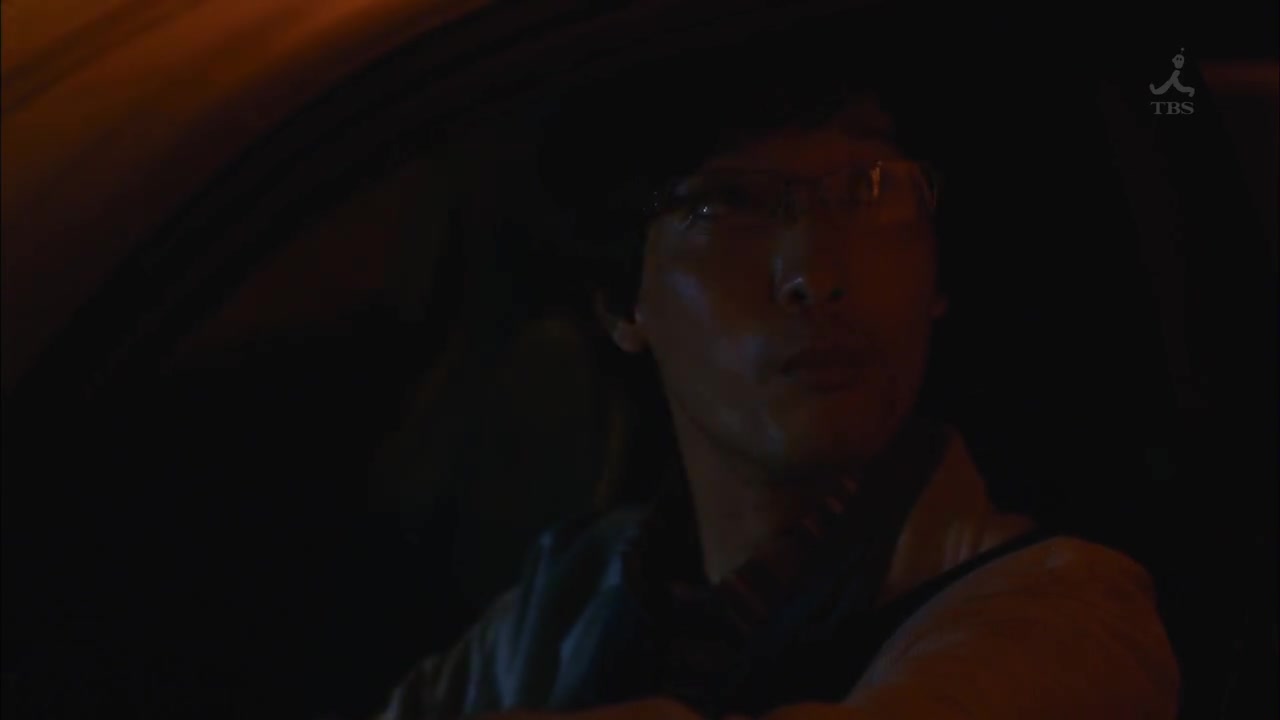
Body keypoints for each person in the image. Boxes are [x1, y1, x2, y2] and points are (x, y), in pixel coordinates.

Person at [375, 30, 1180, 720]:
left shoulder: (1065, 614)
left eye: (871, 193)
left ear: (938, 275)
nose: (816, 275)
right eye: (729, 204)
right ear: (623, 305)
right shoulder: (568, 605)